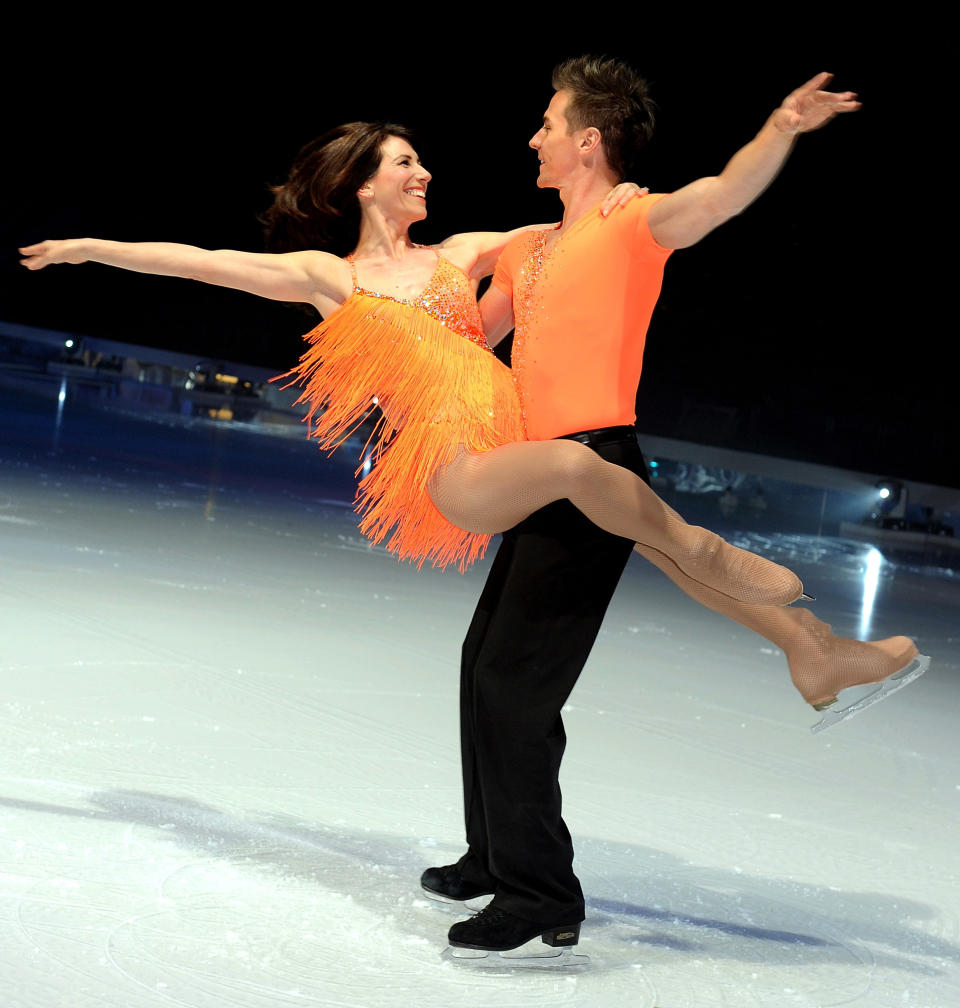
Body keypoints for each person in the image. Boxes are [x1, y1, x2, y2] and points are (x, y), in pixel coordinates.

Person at [421, 58, 928, 960]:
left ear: (589, 139)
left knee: (515, 684)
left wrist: (780, 125)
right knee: (483, 667)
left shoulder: (633, 224)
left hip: (592, 465)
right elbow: (470, 334)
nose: (532, 137)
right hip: (535, 469)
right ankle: (494, 854)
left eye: (547, 122)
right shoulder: (532, 246)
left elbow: (723, 197)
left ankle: (538, 891)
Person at [19, 124, 808, 615]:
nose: (423, 170)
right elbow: (204, 263)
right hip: (453, 471)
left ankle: (799, 638)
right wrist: (88, 248)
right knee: (581, 470)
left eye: (422, 159)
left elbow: (581, 230)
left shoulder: (460, 256)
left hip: (509, 440)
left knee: (608, 515)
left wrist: (620, 196)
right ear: (368, 184)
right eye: (406, 161)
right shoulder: (332, 277)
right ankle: (699, 545)